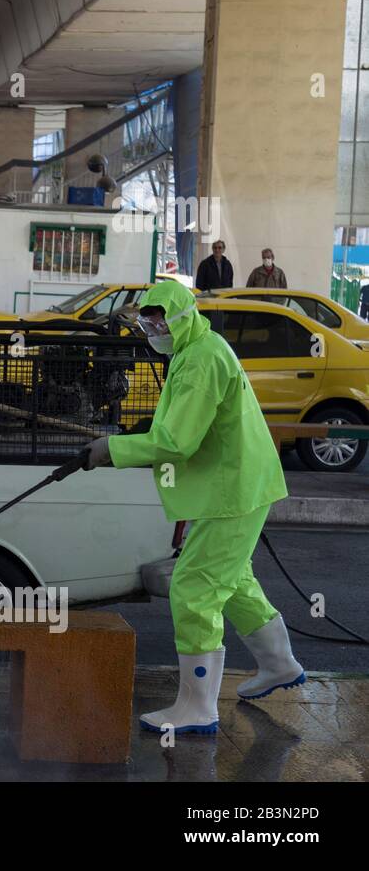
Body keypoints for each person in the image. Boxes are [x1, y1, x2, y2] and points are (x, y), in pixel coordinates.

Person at [83, 279, 302, 735]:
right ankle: (279, 664)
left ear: (181, 315)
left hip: (233, 488)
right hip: (237, 483)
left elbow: (177, 442)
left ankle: (197, 706)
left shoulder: (200, 360)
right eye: (147, 321)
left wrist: (113, 449)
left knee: (194, 588)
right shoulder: (198, 346)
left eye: (158, 320)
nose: (152, 329)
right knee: (233, 579)